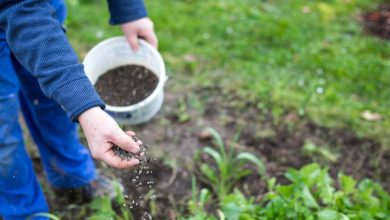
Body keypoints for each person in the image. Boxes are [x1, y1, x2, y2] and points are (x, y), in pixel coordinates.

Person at [0, 0, 158, 219]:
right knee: (2, 128)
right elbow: (21, 10)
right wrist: (87, 108)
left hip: (41, 7)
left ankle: (70, 174)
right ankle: (23, 209)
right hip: (22, 7)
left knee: (53, 98)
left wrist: (129, 10)